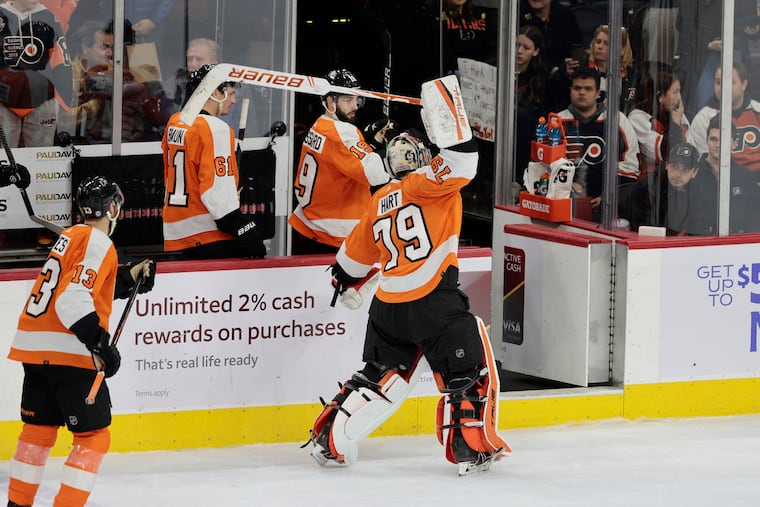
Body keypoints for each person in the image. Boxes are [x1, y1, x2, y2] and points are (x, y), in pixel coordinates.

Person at [307, 121, 510, 473]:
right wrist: (453, 122)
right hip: (433, 301)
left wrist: (346, 282)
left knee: (377, 376)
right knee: (469, 373)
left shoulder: (379, 199)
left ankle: (329, 438)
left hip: (387, 309)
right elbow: (464, 160)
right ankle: (469, 448)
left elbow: (349, 264)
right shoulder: (426, 183)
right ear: (421, 157)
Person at [5, 175, 156, 507]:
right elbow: (73, 300)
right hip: (70, 353)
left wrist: (127, 279)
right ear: (113, 208)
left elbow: (77, 286)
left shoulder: (69, 236)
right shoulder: (100, 243)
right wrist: (102, 345)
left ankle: (17, 504)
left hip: (35, 350)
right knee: (92, 438)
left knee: (38, 432)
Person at [162, 63, 266, 260]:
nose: (234, 100)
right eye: (231, 93)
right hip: (208, 234)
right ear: (215, 92)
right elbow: (214, 191)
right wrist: (241, 225)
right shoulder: (216, 128)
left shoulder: (175, 121)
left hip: (176, 231)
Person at [288, 69, 391, 254]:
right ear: (330, 101)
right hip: (337, 234)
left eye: (356, 100)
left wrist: (372, 144)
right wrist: (393, 150)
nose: (355, 106)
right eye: (347, 100)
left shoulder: (320, 125)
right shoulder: (343, 132)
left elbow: (344, 162)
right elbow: (376, 175)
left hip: (313, 225)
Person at [556, 66, 641, 224]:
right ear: (570, 90)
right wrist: (564, 184)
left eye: (588, 89)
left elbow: (630, 167)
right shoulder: (558, 121)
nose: (582, 92)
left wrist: (608, 195)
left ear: (598, 93)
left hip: (607, 208)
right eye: (577, 88)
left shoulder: (617, 120)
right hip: (564, 204)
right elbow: (545, 164)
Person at [0, 0, 73, 147]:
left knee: (41, 156)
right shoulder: (2, 15)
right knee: (3, 158)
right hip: (3, 99)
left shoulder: (48, 17)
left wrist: (63, 99)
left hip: (41, 98)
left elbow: (62, 60)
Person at [687, 61, 760, 175]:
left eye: (730, 82)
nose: (723, 87)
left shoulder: (758, 110)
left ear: (744, 84)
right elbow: (703, 162)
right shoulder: (703, 118)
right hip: (722, 181)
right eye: (718, 82)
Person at [694, 115, 760, 234]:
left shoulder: (746, 176)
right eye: (713, 139)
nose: (718, 145)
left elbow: (755, 219)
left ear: (735, 143)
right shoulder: (694, 173)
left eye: (723, 139)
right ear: (706, 140)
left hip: (738, 247)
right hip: (700, 245)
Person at [655, 142, 714, 235]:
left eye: (685, 169)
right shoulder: (651, 187)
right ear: (666, 165)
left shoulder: (701, 194)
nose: (678, 174)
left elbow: (701, 229)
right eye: (674, 166)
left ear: (694, 172)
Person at [515, 25, 549, 187]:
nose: (519, 51)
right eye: (516, 45)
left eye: (526, 47)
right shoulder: (495, 67)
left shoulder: (540, 78)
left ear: (535, 52)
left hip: (523, 139)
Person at [519, 0, 582, 79]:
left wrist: (571, 66)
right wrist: (551, 69)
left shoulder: (566, 15)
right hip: (526, 79)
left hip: (560, 79)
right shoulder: (515, 14)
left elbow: (578, 52)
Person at [440, 0, 497, 75]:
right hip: (446, 74)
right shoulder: (434, 15)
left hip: (480, 74)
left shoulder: (483, 15)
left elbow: (491, 50)